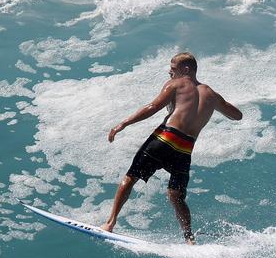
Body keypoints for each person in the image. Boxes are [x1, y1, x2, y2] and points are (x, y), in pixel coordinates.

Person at [101, 52, 243, 244]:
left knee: (131, 176)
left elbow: (152, 107)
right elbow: (237, 115)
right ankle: (189, 238)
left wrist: (123, 124)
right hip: (185, 149)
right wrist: (215, 105)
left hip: (165, 138)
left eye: (173, 68)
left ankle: (110, 223)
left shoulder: (176, 85)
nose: (170, 72)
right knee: (176, 195)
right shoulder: (211, 94)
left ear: (186, 69)